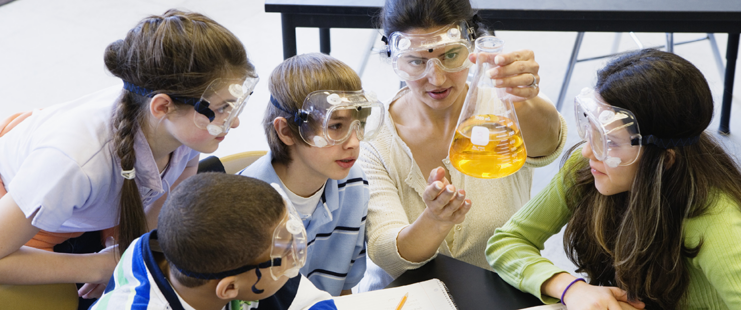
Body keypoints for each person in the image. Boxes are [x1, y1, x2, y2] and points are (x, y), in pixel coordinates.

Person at [0, 9, 257, 308]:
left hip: (84, 202)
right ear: (162, 106)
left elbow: (167, 201)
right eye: (223, 108)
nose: (233, 122)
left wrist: (121, 251)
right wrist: (99, 265)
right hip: (21, 202)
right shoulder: (74, 163)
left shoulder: (186, 129)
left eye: (235, 105)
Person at [486, 49, 741, 309]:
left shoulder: (718, 222)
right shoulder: (588, 167)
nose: (588, 151)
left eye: (610, 141)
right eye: (592, 129)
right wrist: (570, 288)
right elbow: (508, 241)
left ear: (665, 161)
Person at [357, 0, 567, 290]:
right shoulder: (374, 136)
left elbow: (548, 144)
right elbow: (386, 255)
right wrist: (434, 220)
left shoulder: (503, 111)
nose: (436, 78)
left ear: (472, 47)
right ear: (394, 58)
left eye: (451, 55)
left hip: (500, 297)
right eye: (417, 61)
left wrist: (524, 94)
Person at [239, 53, 381, 296]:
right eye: (335, 126)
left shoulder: (353, 182)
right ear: (287, 131)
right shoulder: (245, 202)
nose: (354, 143)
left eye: (360, 125)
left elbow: (344, 288)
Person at [90, 173, 336, 310]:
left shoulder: (226, 261)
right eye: (282, 257)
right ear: (229, 289)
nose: (293, 255)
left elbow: (314, 304)